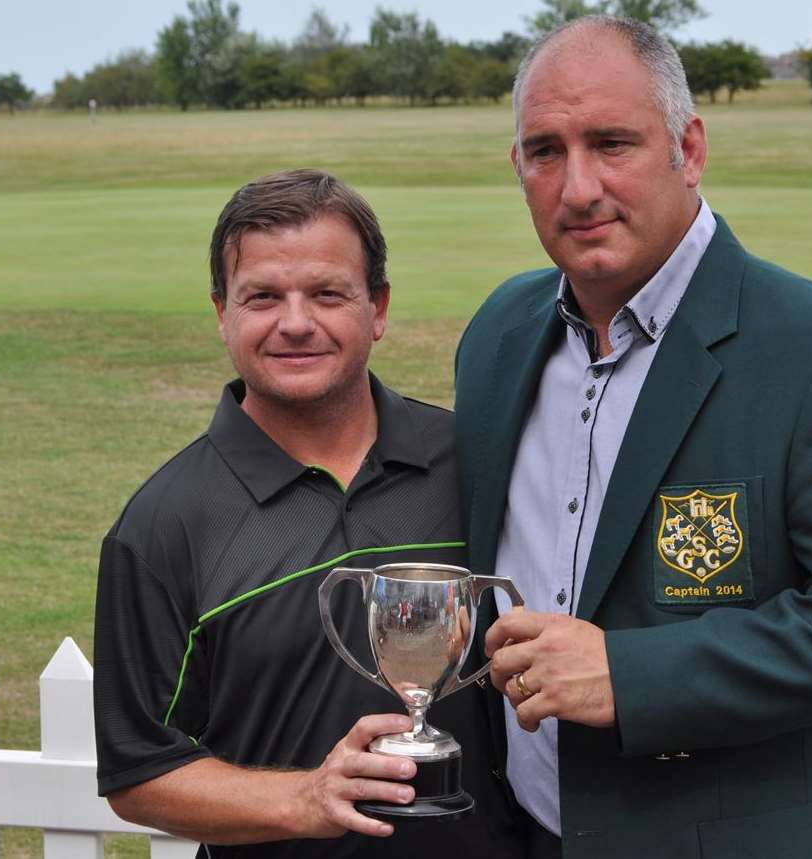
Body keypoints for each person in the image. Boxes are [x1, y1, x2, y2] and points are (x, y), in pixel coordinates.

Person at [453, 16, 812, 859]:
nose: (577, 188)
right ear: (517, 167)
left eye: (612, 143)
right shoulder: (500, 332)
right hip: (533, 835)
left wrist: (633, 675)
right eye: (545, 151)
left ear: (689, 148)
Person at [93, 169, 520, 858]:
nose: (296, 323)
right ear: (221, 313)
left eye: (327, 292)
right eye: (262, 296)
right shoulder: (164, 522)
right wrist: (305, 797)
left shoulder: (472, 464)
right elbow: (138, 772)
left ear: (377, 308)